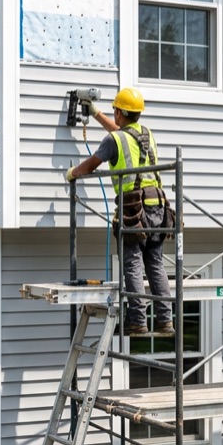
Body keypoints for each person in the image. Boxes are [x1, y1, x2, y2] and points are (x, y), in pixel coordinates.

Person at [65, 87, 173, 336]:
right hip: (159, 206)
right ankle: (166, 321)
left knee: (133, 263)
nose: (113, 114)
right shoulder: (147, 134)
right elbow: (121, 135)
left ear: (121, 112)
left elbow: (92, 164)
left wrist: (73, 174)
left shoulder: (114, 140)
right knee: (155, 264)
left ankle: (138, 320)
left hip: (134, 209)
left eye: (115, 110)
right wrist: (95, 113)